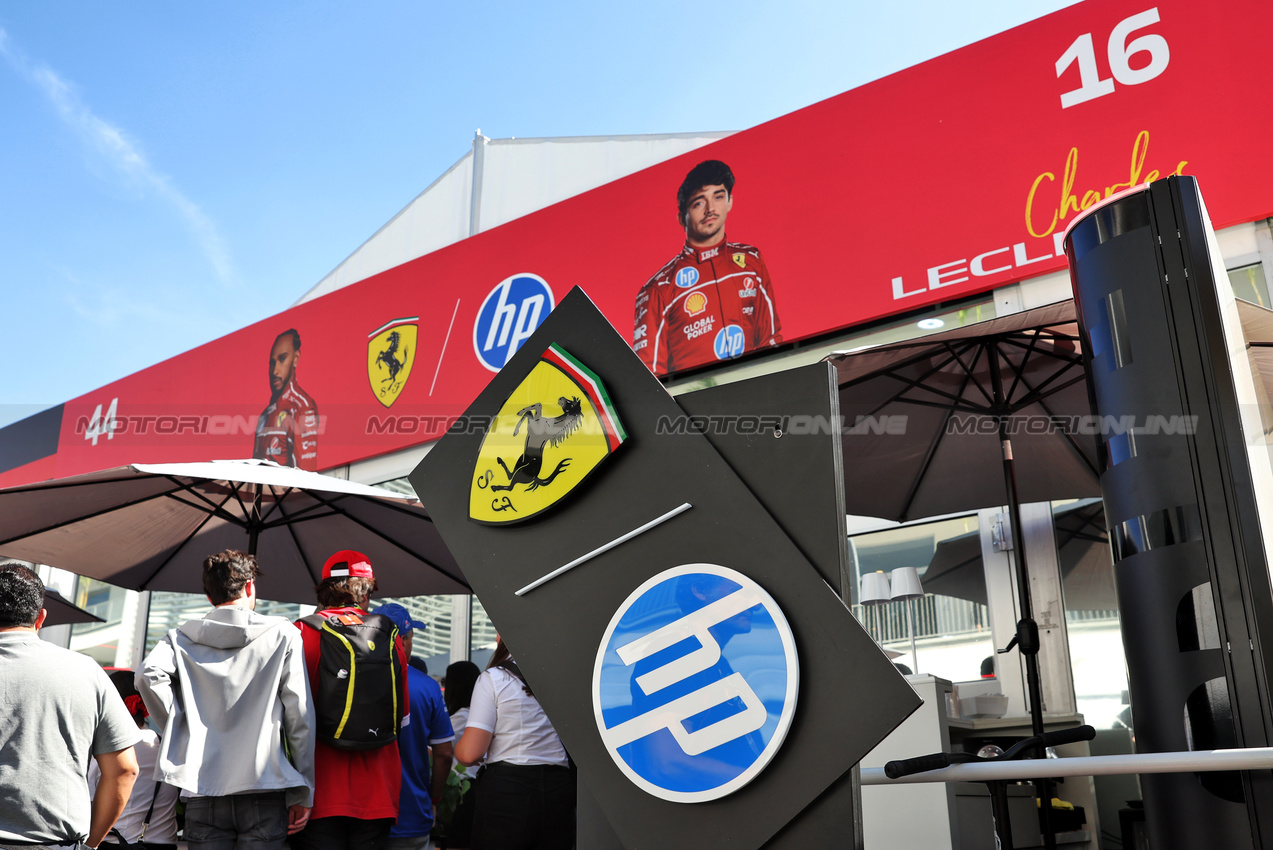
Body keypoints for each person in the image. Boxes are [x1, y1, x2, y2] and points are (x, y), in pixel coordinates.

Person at [136, 550, 316, 850]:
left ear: (209, 596)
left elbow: (146, 676)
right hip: (264, 785)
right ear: (250, 585)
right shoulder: (284, 634)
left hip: (202, 788)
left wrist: (181, 726)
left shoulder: (180, 637)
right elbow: (300, 718)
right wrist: (303, 790)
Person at [0, 563, 140, 848]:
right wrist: (90, 844)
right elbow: (125, 770)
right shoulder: (87, 671)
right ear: (41, 618)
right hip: (56, 842)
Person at [291, 551, 411, 850]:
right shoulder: (388, 635)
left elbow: (288, 717)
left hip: (316, 792)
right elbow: (402, 718)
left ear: (324, 589)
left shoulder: (302, 632)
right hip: (378, 792)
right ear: (365, 592)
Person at [633, 159, 781, 376]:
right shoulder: (658, 289)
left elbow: (772, 340)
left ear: (730, 202)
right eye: (698, 203)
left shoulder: (751, 261)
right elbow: (650, 378)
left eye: (718, 197)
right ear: (681, 218)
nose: (711, 209)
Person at [453, 638, 575, 850]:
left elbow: (470, 753)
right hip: (559, 789)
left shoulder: (494, 678)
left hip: (508, 789)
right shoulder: (565, 677)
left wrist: (460, 749)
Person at [375, 604, 454, 850]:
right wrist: (435, 798)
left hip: (362, 813)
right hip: (412, 812)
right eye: (411, 637)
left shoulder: (351, 680)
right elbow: (444, 754)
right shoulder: (428, 687)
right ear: (403, 641)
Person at [89, 671, 180, 850]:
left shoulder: (106, 748)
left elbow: (86, 800)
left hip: (116, 843)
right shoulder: (169, 745)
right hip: (164, 844)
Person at [253, 328, 319, 470]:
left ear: (295, 358)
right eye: (272, 363)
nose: (275, 371)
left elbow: (305, 476)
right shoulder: (264, 416)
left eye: (282, 359)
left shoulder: (301, 408)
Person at [439, 661, 481, 850]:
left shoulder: (461, 719)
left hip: (462, 791)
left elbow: (439, 750)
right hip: (474, 789)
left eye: (445, 681)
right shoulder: (476, 717)